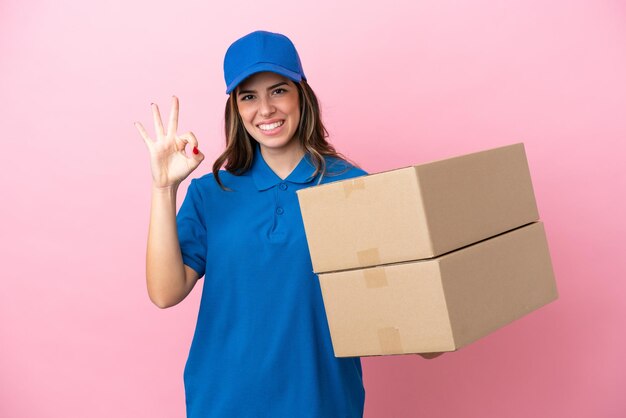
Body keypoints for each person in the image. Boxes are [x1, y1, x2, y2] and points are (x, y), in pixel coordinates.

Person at [135, 30, 369, 418]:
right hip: (222, 402)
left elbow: (398, 294)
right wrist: (164, 188)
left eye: (278, 90)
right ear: (236, 108)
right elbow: (164, 292)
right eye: (248, 96)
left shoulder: (353, 188)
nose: (265, 109)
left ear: (301, 95)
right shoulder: (211, 193)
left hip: (321, 402)